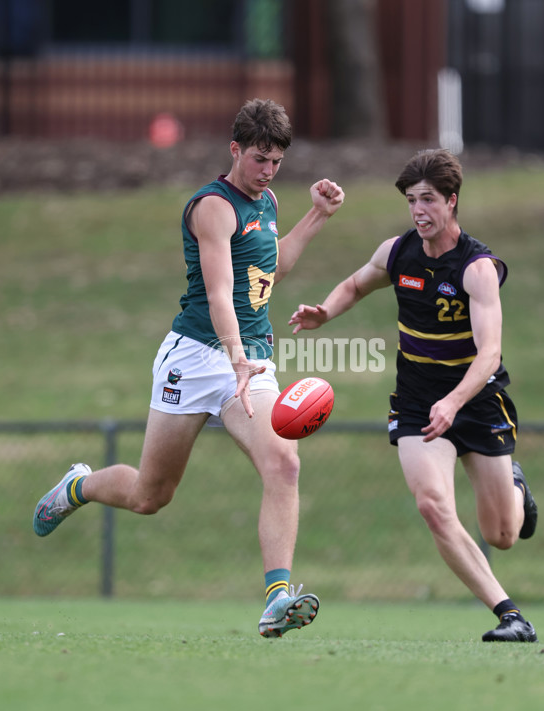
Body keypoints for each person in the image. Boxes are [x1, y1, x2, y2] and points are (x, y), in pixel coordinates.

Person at [33, 98, 345, 638]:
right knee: (150, 495)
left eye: (276, 162)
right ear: (235, 150)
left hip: (250, 361)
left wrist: (316, 214)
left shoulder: (266, 202)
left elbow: (275, 266)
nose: (268, 171)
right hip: (198, 357)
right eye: (259, 159)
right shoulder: (213, 207)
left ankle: (277, 599)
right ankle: (78, 487)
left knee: (284, 465)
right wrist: (235, 355)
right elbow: (221, 292)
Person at [289, 148, 538, 642]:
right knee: (431, 504)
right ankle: (510, 614)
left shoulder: (478, 268)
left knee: (502, 535)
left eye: (428, 200)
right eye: (411, 201)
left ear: (451, 201)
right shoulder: (397, 252)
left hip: (476, 401)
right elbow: (355, 285)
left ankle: (515, 487)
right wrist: (325, 312)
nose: (419, 211)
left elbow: (489, 354)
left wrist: (455, 402)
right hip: (418, 404)